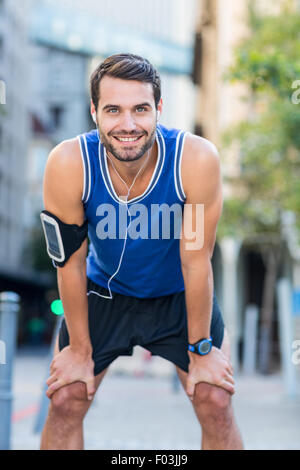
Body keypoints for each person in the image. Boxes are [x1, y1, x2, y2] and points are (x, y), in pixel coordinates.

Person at [40, 53, 243, 450]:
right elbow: (70, 263)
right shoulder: (69, 163)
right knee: (67, 397)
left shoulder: (195, 160)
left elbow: (196, 260)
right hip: (104, 295)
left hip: (178, 296)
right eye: (113, 110)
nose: (128, 125)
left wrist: (201, 350)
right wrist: (79, 349)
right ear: (94, 111)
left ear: (159, 110)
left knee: (215, 399)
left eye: (141, 109)